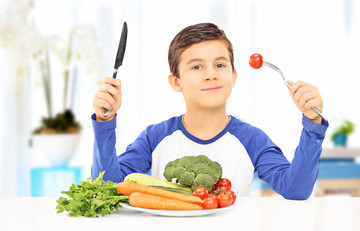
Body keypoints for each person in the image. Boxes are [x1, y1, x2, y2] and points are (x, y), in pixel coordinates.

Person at [91, 23, 328, 200]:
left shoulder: (252, 140)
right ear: (176, 82)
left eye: (220, 64)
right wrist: (105, 122)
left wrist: (312, 123)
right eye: (196, 66)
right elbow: (107, 186)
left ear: (233, 77)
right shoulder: (155, 137)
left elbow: (296, 190)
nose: (211, 74)